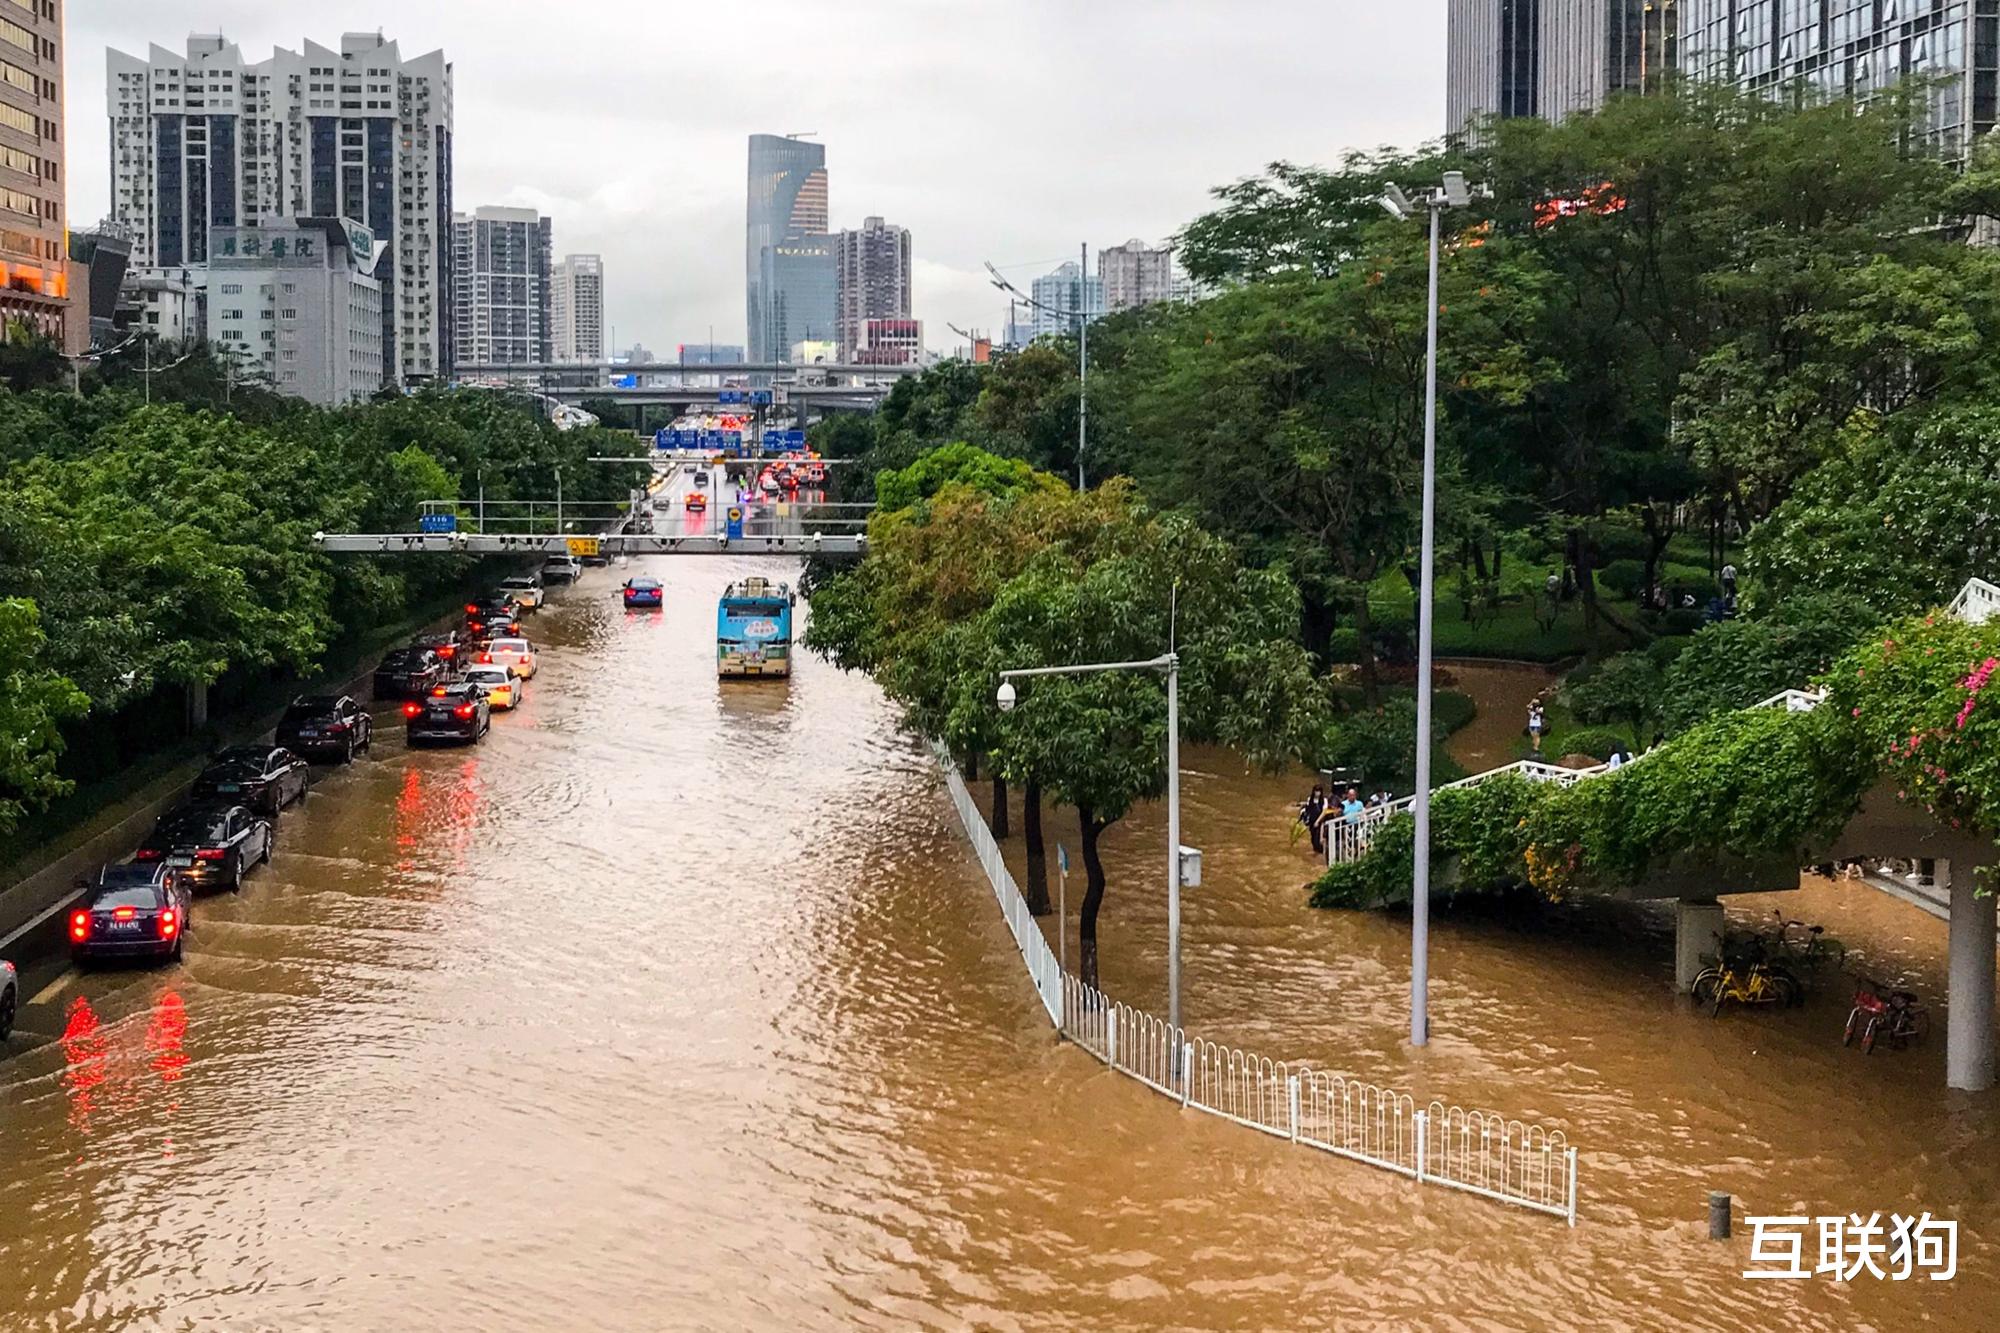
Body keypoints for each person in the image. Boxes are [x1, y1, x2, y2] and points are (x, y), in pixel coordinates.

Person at [1300, 785, 1327, 855]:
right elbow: (1307, 810)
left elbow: (1324, 812)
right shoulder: (1310, 799)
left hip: (1320, 821)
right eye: (1316, 791)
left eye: (1319, 791)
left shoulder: (1324, 800)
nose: (1317, 793)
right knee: (1312, 837)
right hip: (1312, 820)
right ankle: (1315, 850)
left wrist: (1318, 821)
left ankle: (1320, 851)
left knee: (1317, 838)